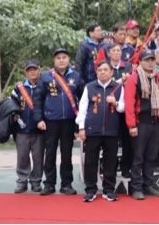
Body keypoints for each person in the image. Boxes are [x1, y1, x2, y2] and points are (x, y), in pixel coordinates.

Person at [76, 60, 126, 202]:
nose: (102, 72)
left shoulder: (117, 87)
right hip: (93, 130)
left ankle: (108, 190)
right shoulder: (90, 87)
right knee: (91, 161)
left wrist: (115, 103)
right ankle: (90, 190)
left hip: (111, 130)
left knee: (110, 161)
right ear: (96, 72)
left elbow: (123, 107)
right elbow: (83, 109)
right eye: (100, 70)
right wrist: (81, 128)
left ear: (111, 72)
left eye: (105, 70)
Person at [39, 47, 85, 196]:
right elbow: (38, 99)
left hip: (69, 121)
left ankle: (66, 184)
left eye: (64, 57)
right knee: (50, 153)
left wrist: (81, 123)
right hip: (50, 121)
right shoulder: (45, 77)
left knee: (67, 154)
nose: (61, 60)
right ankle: (49, 184)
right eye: (58, 58)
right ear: (54, 61)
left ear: (68, 59)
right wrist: (39, 119)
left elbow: (83, 100)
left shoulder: (76, 77)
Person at [124, 50, 159, 200]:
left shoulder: (156, 78)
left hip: (155, 121)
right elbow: (129, 104)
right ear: (140, 62)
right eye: (147, 60)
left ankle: (148, 185)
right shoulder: (134, 79)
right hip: (140, 123)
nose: (150, 63)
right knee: (138, 157)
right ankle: (136, 187)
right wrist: (131, 125)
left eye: (152, 60)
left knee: (151, 156)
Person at [11, 59, 45, 194]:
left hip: (39, 129)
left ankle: (36, 181)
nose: (32, 72)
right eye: (29, 70)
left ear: (39, 70)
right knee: (22, 156)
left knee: (38, 157)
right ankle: (22, 181)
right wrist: (14, 115)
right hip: (22, 128)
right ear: (25, 72)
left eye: (35, 69)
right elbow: (12, 105)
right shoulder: (18, 87)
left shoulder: (44, 85)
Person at [108, 43, 133, 178]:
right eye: (114, 50)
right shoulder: (105, 67)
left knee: (127, 141)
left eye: (119, 50)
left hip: (125, 107)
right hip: (110, 109)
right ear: (109, 53)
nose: (117, 53)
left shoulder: (128, 67)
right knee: (111, 141)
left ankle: (125, 168)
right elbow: (106, 83)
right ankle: (110, 169)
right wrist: (120, 81)